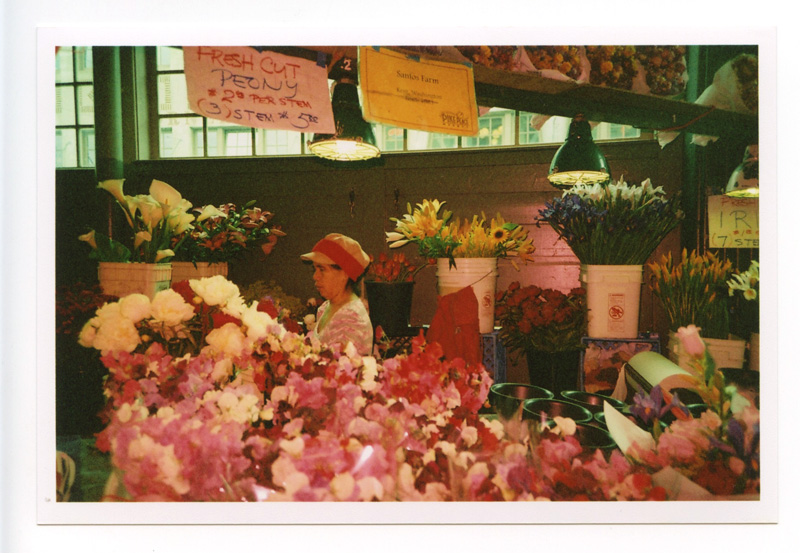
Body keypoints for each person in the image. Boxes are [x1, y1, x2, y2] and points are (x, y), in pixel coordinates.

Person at [301, 233, 373, 355]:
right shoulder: (326, 307)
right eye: (315, 269)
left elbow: (340, 370)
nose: (315, 276)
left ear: (344, 274)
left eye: (322, 269)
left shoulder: (351, 320)